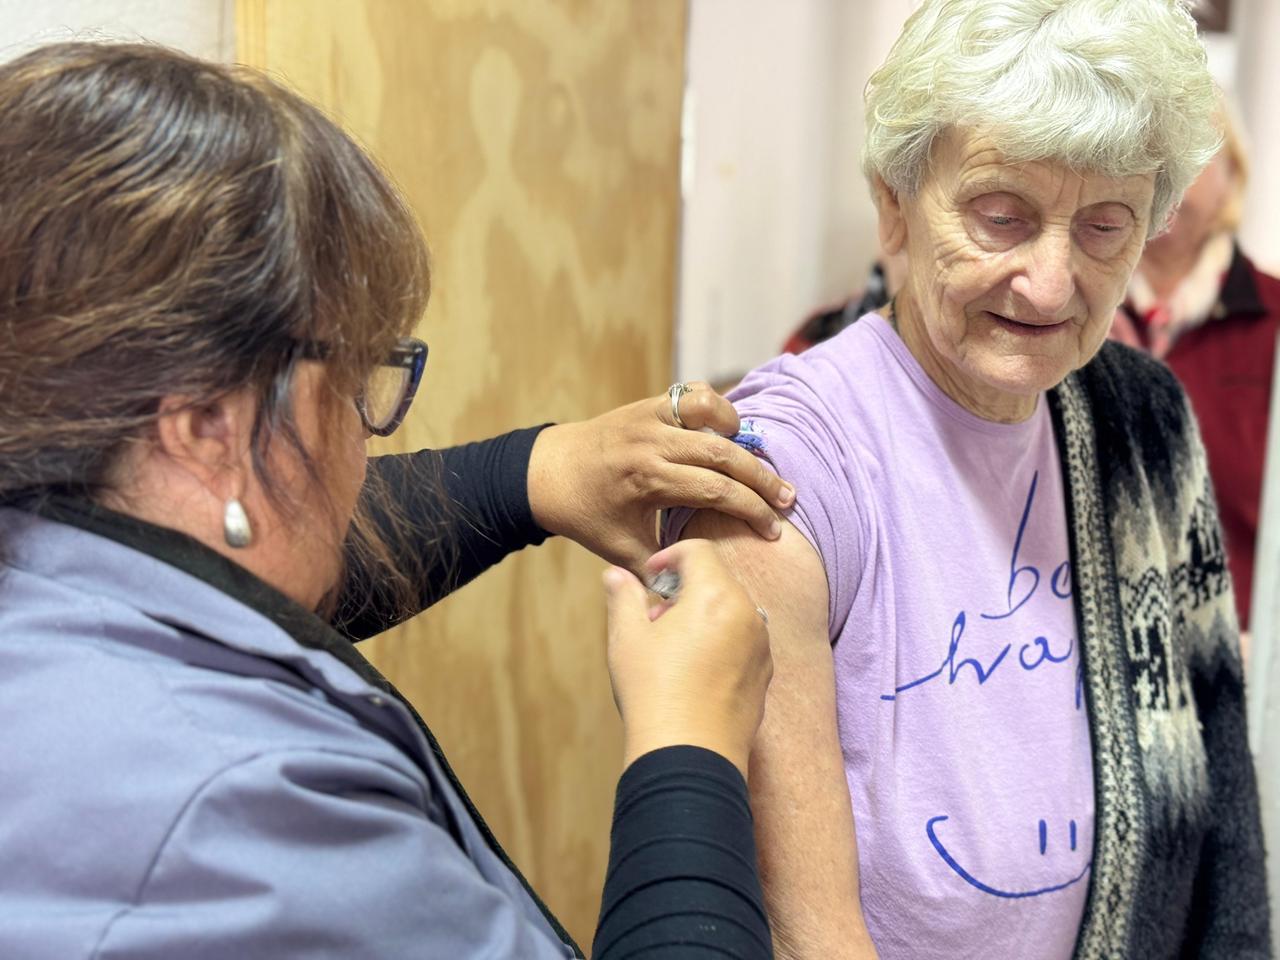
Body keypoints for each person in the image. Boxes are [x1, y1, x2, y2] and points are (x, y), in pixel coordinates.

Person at [0, 42, 791, 958]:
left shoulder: (53, 560)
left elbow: (216, 584)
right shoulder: (241, 820)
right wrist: (688, 746)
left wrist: (533, 474)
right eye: (350, 376)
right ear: (207, 424)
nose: (367, 434)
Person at [666, 1, 1269, 957]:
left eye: (1106, 229)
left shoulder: (1145, 421)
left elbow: (1222, 798)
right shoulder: (783, 468)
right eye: (1002, 217)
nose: (1050, 280)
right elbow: (799, 930)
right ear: (895, 207)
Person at [1111, 100, 1280, 635]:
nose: (1170, 174)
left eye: (1194, 155)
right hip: (1086, 649)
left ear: (1233, 178)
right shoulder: (1069, 312)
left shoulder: (1272, 318)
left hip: (1244, 652)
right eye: (1151, 155)